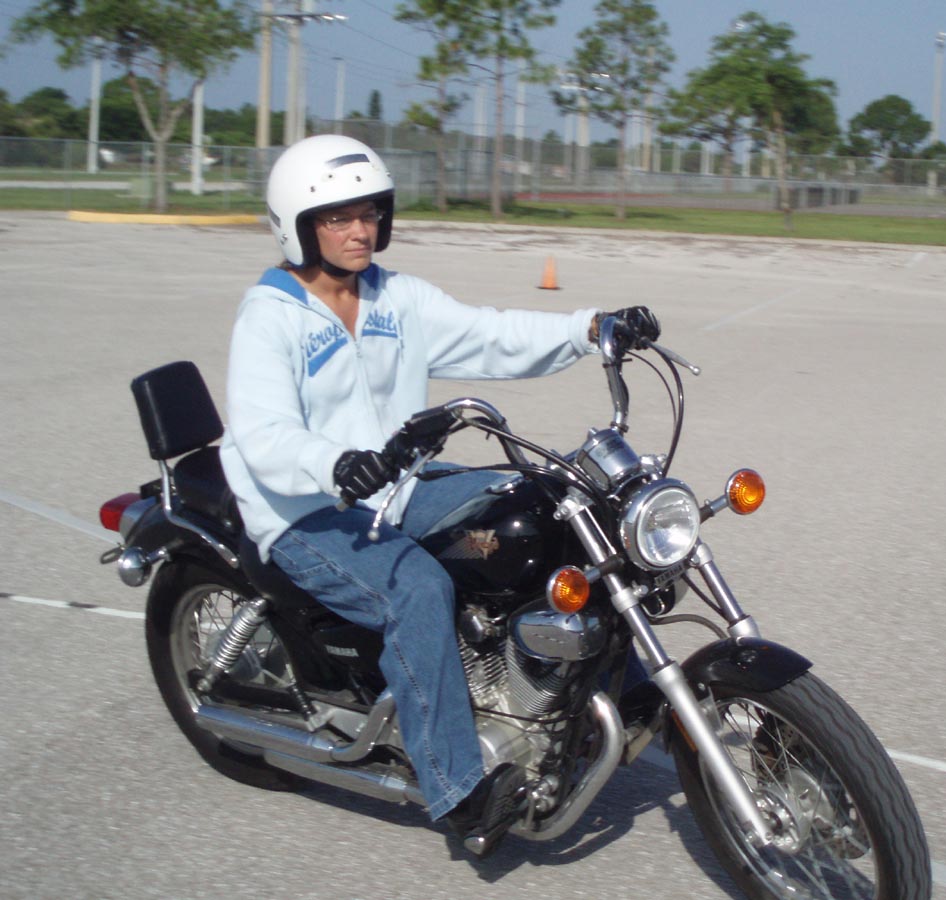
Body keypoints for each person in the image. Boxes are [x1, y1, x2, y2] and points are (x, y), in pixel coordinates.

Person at [218, 134, 657, 855]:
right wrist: (335, 463)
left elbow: (493, 334)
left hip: (395, 488)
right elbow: (263, 434)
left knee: (552, 503)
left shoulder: (394, 298)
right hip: (303, 511)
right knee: (418, 588)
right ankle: (457, 789)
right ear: (298, 226)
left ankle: (621, 686)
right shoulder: (270, 316)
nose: (360, 231)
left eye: (370, 213)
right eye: (339, 218)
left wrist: (588, 328)